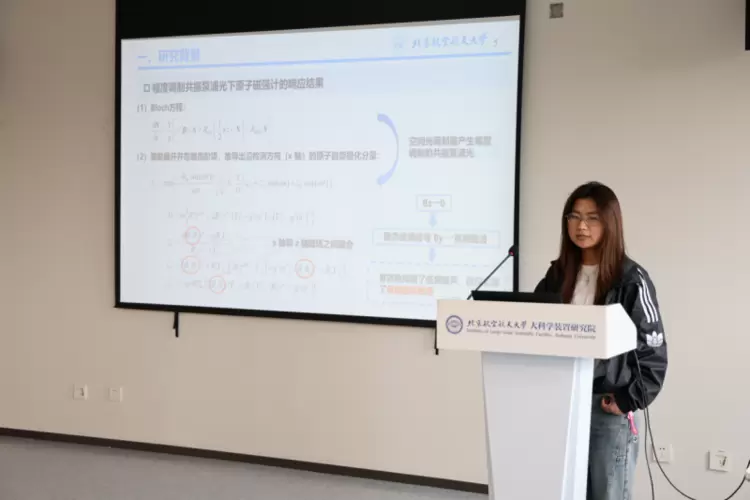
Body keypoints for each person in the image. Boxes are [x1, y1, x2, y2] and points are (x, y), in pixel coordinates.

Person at [534, 182, 668, 500]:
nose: (581, 226)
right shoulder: (557, 275)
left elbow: (654, 353)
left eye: (592, 218)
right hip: (561, 403)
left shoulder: (631, 280)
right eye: (575, 216)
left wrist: (627, 400)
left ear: (610, 222)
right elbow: (535, 328)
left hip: (606, 407)